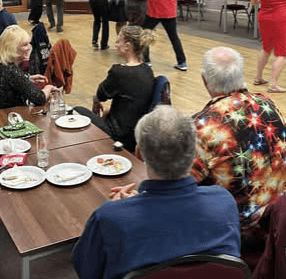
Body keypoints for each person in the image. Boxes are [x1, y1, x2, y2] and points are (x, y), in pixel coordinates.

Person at [72, 106, 240, 279]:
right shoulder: (224, 202)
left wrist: (123, 210)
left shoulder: (109, 218)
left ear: (138, 153)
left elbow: (85, 271)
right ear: (194, 153)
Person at [192, 46, 286, 249]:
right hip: (283, 216)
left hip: (235, 233)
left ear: (205, 81)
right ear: (241, 77)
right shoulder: (268, 103)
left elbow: (182, 185)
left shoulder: (202, 126)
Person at [75, 26, 155, 152]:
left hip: (118, 135)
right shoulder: (147, 70)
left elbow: (101, 94)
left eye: (118, 41)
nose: (116, 45)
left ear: (127, 46)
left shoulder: (119, 71)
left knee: (77, 110)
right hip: (136, 134)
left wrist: (96, 101)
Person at [0, 25, 57, 110]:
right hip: (5, 119)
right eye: (25, 45)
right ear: (13, 48)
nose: (30, 47)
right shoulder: (11, 70)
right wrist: (49, 87)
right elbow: (39, 98)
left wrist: (27, 78)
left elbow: (10, 83)